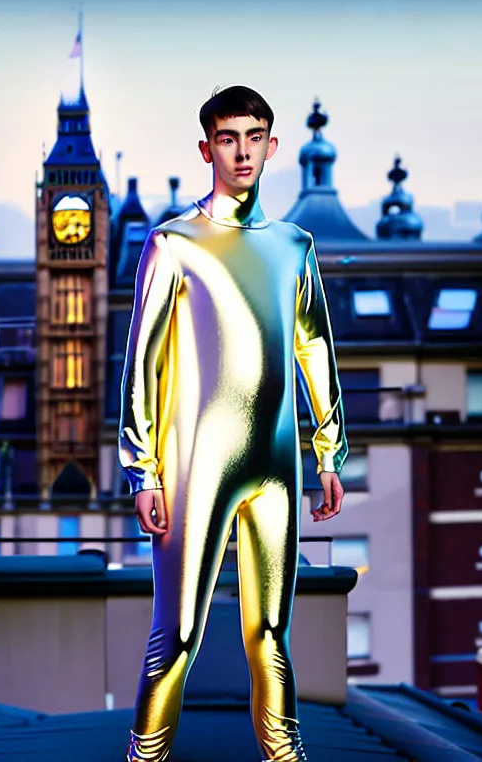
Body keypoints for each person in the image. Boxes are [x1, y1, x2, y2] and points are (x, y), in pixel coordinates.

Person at [119, 85, 348, 762]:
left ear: (272, 147)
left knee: (270, 634)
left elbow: (314, 349)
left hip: (277, 470)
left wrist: (330, 455)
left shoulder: (294, 246)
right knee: (179, 634)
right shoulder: (173, 244)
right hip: (195, 468)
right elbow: (142, 364)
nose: (242, 151)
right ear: (206, 148)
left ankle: (285, 758)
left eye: (253, 137)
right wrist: (143, 470)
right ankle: (143, 757)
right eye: (228, 138)